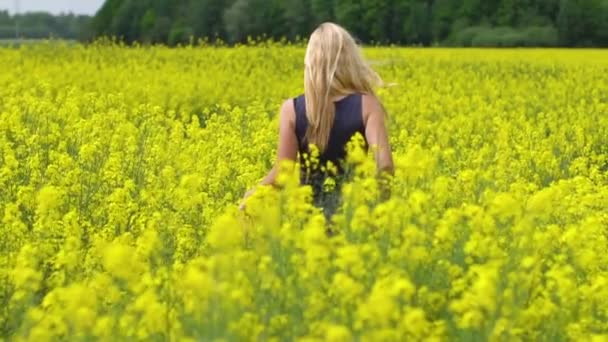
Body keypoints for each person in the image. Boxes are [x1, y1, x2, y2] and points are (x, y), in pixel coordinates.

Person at [239, 22, 394, 221]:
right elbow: (386, 165)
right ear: (350, 60)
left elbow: (281, 174)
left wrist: (253, 195)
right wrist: (379, 211)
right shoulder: (368, 104)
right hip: (354, 220)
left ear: (311, 62)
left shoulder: (291, 109)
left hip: (309, 224)